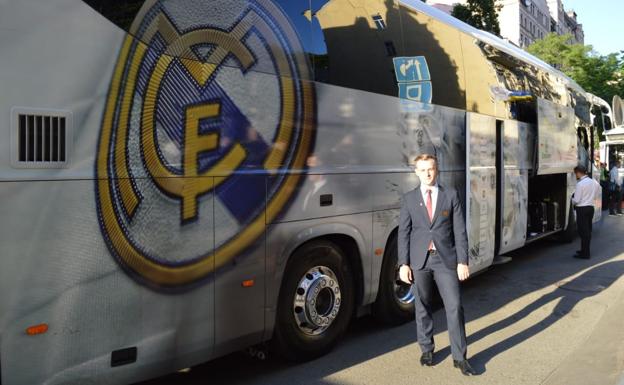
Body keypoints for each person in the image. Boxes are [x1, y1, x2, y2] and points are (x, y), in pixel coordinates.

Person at [397, 154, 474, 376]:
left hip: (445, 260)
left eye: (430, 169)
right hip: (419, 260)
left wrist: (462, 261)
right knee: (422, 306)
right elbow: (404, 232)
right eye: (422, 170)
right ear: (416, 172)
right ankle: (427, 349)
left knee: (455, 306)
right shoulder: (410, 199)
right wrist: (404, 264)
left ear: (437, 169)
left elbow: (460, 231)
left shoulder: (450, 195)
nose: (427, 173)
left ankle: (460, 357)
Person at [571, 165, 600, 259]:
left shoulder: (580, 184)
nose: (576, 175)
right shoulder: (593, 182)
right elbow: (595, 195)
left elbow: (577, 200)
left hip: (582, 209)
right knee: (587, 231)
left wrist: (571, 200)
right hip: (590, 208)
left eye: (575, 173)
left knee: (583, 232)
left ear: (579, 172)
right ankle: (584, 250)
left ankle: (585, 253)